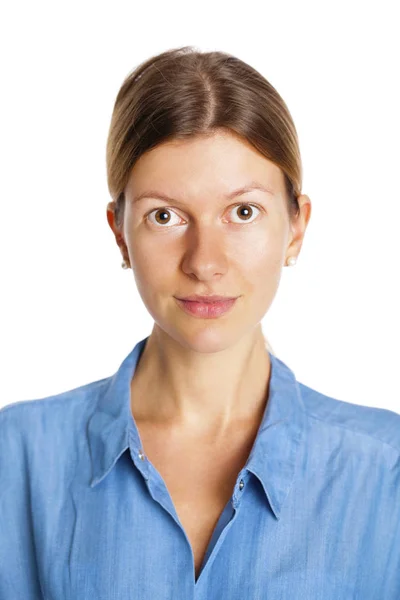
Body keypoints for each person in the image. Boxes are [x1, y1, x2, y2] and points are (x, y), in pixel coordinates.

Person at [1, 46, 399, 600]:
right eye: (164, 216)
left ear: (296, 227)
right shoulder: (14, 458)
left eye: (243, 212)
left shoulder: (387, 471)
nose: (204, 261)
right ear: (120, 232)